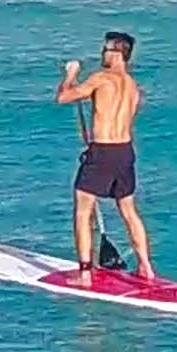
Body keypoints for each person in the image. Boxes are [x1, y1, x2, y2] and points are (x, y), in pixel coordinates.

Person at [51, 31, 155, 282]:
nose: (101, 53)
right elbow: (124, 114)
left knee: (83, 211)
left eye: (105, 49)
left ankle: (85, 274)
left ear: (117, 53)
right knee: (129, 210)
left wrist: (71, 75)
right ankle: (146, 268)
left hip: (103, 152)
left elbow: (63, 97)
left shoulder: (101, 78)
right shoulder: (134, 88)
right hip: (125, 152)